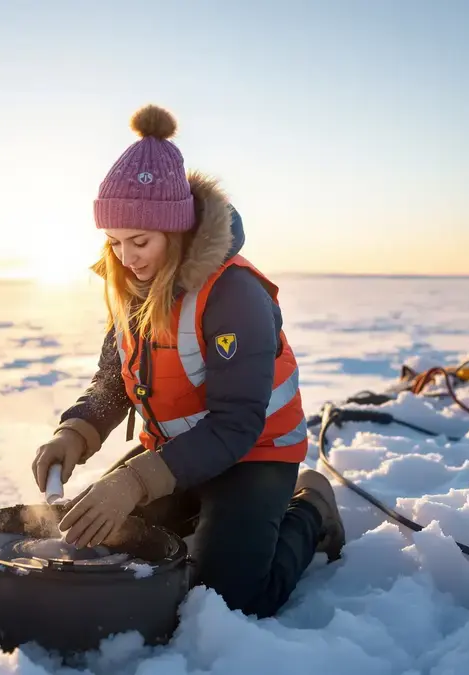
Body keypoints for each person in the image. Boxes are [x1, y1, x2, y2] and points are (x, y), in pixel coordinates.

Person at [30, 104, 345, 619]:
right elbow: (114, 382)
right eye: (113, 242)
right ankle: (199, 514)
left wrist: (134, 482)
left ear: (174, 231)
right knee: (97, 544)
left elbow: (238, 424)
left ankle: (310, 508)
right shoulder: (132, 287)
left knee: (228, 599)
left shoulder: (234, 295)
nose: (126, 257)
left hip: (254, 456)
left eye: (140, 241)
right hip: (176, 455)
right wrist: (76, 433)